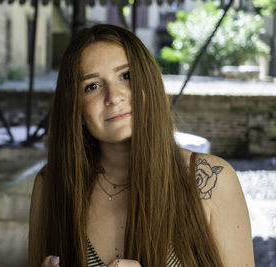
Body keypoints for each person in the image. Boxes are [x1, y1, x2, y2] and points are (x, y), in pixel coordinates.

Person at [28, 24, 254, 267]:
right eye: (92, 86)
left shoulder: (211, 180)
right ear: (76, 108)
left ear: (150, 84)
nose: (114, 96)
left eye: (127, 76)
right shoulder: (50, 184)